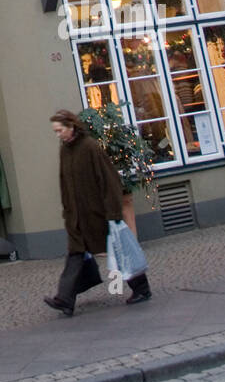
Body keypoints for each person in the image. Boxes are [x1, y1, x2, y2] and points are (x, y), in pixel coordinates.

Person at [44, 108, 152, 316]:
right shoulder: (65, 150)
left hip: (98, 214)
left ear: (71, 126)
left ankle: (142, 288)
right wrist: (68, 212)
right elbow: (64, 183)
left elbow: (109, 180)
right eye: (55, 132)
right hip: (77, 216)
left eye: (59, 130)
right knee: (75, 253)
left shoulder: (90, 147)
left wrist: (113, 212)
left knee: (119, 251)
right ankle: (65, 299)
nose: (58, 135)